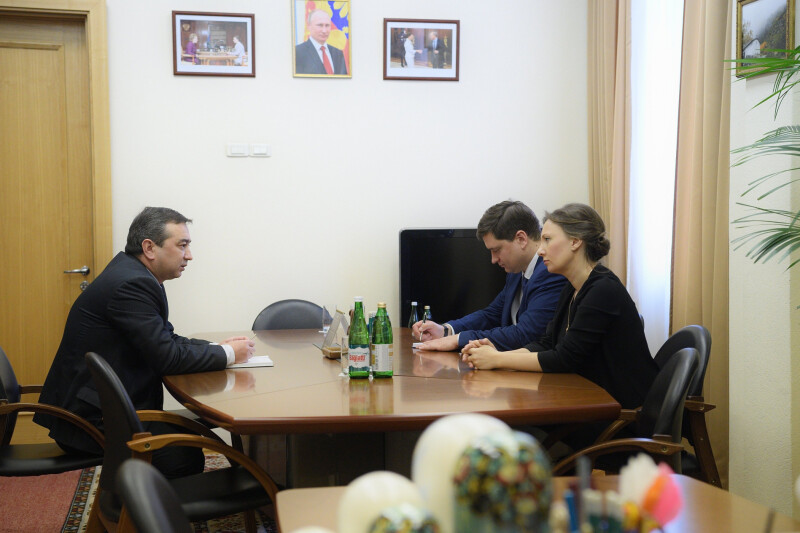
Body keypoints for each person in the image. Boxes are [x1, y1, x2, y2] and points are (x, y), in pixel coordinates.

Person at [34, 207, 255, 478]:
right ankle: (146, 506)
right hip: (91, 421)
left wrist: (218, 349)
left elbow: (166, 339)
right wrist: (228, 354)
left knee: (191, 435)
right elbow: (168, 358)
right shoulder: (132, 283)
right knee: (182, 455)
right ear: (149, 248)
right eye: (182, 245)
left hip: (100, 409)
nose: (189, 255)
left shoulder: (136, 275)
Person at [462, 203, 658, 410]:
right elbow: (547, 343)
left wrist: (497, 359)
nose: (540, 250)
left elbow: (564, 358)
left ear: (575, 241)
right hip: (590, 398)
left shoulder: (603, 290)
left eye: (547, 239)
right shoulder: (572, 287)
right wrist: (493, 354)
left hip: (619, 408)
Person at [412, 200, 566, 352]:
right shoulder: (516, 271)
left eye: (496, 250)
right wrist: (446, 330)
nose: (493, 260)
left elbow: (526, 334)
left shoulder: (550, 273)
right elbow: (492, 314)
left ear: (521, 239)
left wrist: (458, 339)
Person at [295, 9, 347, 75]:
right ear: (309, 26)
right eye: (320, 25)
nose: (324, 31)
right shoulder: (297, 52)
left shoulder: (338, 54)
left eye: (327, 25)